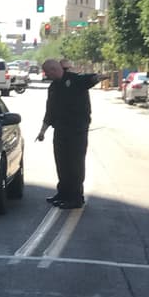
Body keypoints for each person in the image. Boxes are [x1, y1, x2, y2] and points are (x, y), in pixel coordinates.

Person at [36, 58, 100, 210]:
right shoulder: (53, 87)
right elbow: (50, 111)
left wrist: (101, 77)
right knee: (62, 164)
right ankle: (63, 194)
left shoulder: (75, 80)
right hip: (60, 130)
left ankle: (76, 198)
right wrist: (42, 131)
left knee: (75, 165)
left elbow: (91, 79)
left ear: (53, 69)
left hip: (76, 131)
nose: (46, 75)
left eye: (47, 72)